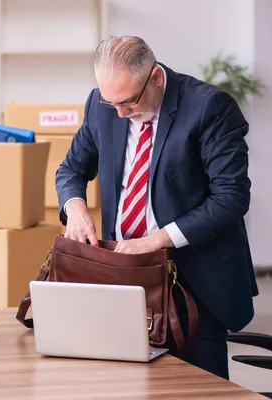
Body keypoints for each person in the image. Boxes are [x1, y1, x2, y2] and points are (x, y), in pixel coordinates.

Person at [55, 35, 259, 380]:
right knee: (130, 381)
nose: (120, 113)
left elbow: (231, 196)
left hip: (195, 275)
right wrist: (75, 207)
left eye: (129, 102)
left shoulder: (209, 108)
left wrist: (153, 241)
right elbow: (71, 169)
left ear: (156, 78)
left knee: (197, 386)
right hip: (125, 273)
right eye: (111, 103)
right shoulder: (101, 106)